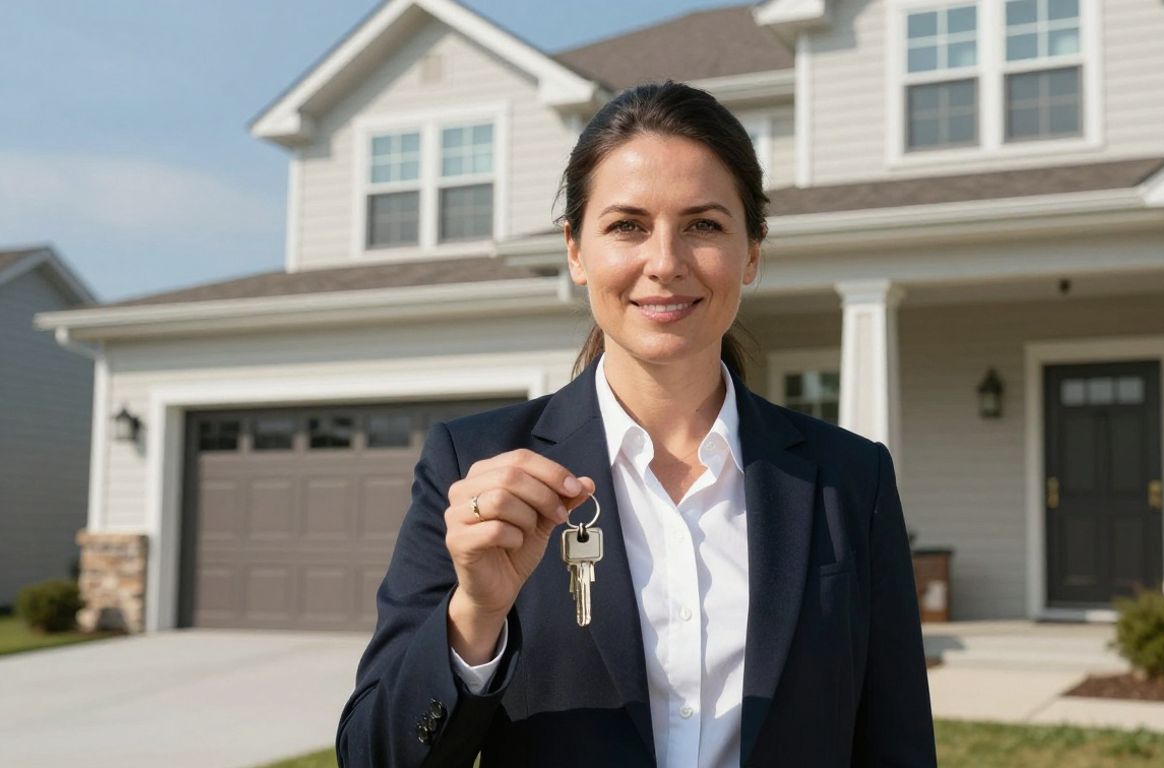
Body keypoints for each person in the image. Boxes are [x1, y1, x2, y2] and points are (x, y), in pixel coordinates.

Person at [335, 81, 937, 767]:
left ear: (753, 251)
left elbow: (898, 744)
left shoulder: (850, 481)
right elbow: (373, 756)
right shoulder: (475, 468)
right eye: (627, 226)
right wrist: (474, 617)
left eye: (704, 225)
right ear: (575, 250)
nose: (665, 263)